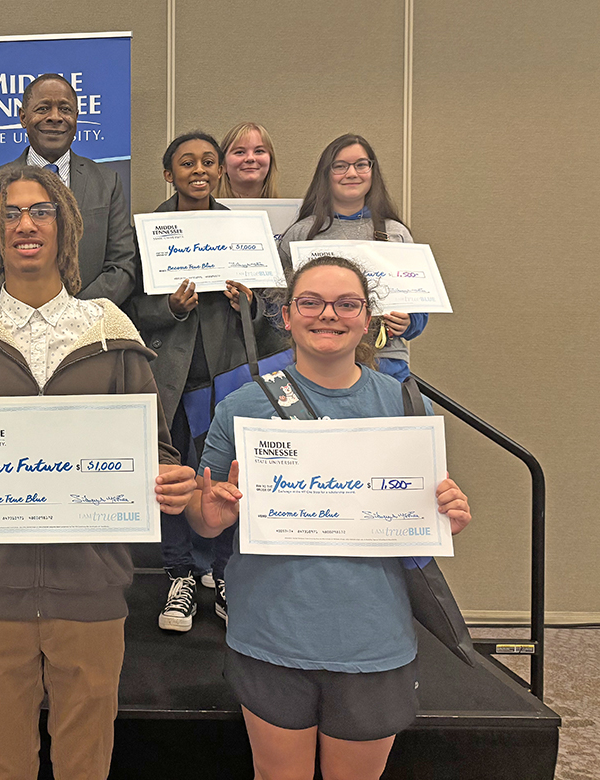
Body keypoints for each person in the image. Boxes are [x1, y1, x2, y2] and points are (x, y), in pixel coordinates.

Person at [0, 165, 197, 779]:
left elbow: (156, 450)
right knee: (1, 766)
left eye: (41, 211)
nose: (25, 224)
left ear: (67, 228)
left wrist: (171, 481)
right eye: (9, 213)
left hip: (90, 592)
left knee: (84, 766)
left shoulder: (114, 335)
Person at [187, 254, 472, 780]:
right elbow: (207, 523)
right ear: (287, 316)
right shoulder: (242, 407)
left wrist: (444, 515)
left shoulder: (407, 406)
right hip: (271, 633)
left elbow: (417, 513)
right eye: (311, 302)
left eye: (347, 304)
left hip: (373, 639)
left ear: (368, 318)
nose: (329, 315)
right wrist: (209, 511)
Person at [126, 131, 277, 632]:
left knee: (226, 476)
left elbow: (268, 316)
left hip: (228, 374)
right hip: (171, 374)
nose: (200, 169)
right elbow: (131, 308)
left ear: (219, 172)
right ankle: (180, 576)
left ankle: (224, 573)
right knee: (176, 476)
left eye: (209, 162)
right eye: (186, 162)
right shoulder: (149, 231)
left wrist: (247, 303)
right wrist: (168, 307)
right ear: (169, 173)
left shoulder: (243, 231)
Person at [0, 74, 137, 306]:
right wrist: (32, 311)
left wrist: (75, 312)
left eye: (65, 109)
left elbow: (123, 265)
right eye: (43, 108)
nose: (55, 117)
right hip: (17, 327)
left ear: (76, 118)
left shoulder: (107, 183)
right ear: (22, 117)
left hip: (90, 323)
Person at [278, 134, 426, 382]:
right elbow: (278, 303)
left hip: (385, 362)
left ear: (372, 171)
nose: (352, 173)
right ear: (326, 174)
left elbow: (420, 306)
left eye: (361, 164)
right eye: (340, 166)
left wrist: (409, 322)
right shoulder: (300, 234)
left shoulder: (396, 234)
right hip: (315, 361)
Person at [214, 122, 282, 200]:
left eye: (259, 151)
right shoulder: (205, 211)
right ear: (223, 164)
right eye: (240, 152)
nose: (250, 158)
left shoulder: (290, 211)